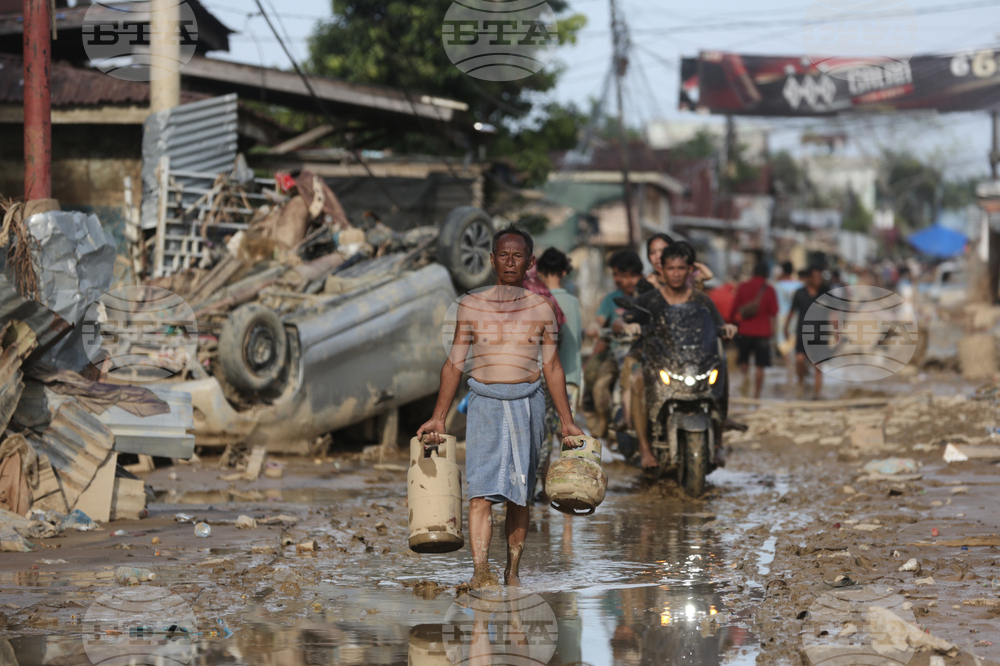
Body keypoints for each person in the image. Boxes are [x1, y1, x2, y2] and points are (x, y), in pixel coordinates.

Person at [417, 226, 584, 588]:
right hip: (484, 406)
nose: (510, 261)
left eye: (517, 255)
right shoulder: (471, 305)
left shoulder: (542, 308)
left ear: (530, 262)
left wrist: (567, 422)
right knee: (480, 494)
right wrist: (438, 417)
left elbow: (552, 367)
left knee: (519, 495)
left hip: (528, 406)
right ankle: (480, 571)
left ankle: (512, 572)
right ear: (491, 260)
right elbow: (454, 365)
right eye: (503, 255)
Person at [630, 242, 736, 471]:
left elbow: (718, 326)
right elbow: (625, 320)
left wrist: (727, 329)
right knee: (637, 378)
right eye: (671, 268)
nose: (676, 273)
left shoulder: (701, 300)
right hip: (660, 364)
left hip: (694, 365)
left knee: (722, 368)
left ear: (689, 270)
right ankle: (645, 448)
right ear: (662, 270)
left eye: (681, 268)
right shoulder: (649, 300)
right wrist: (625, 327)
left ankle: (718, 442)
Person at [534, 247, 583, 501]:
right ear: (565, 271)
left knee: (542, 434)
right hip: (571, 377)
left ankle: (541, 487)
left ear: (539, 271)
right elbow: (577, 342)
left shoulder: (536, 297)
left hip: (544, 378)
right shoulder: (572, 302)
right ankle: (565, 490)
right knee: (565, 436)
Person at [583, 250, 644, 438]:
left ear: (640, 276)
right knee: (600, 383)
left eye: (632, 276)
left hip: (643, 353)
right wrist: (593, 327)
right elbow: (599, 320)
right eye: (622, 276)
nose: (628, 281)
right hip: (617, 353)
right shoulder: (611, 300)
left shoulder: (648, 297)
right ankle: (602, 422)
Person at [731, 260, 778, 399]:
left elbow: (734, 309)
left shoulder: (743, 287)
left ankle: (745, 387)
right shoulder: (769, 289)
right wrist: (773, 333)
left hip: (745, 330)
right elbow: (774, 313)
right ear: (766, 273)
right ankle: (756, 395)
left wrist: (732, 324)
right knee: (760, 366)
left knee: (743, 362)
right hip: (763, 333)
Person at [784, 265, 826, 399]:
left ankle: (816, 394)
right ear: (809, 278)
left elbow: (833, 313)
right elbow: (791, 311)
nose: (818, 280)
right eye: (815, 277)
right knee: (800, 360)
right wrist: (785, 327)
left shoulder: (825, 292)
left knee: (818, 365)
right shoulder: (800, 293)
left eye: (820, 276)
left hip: (820, 332)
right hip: (803, 332)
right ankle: (801, 384)